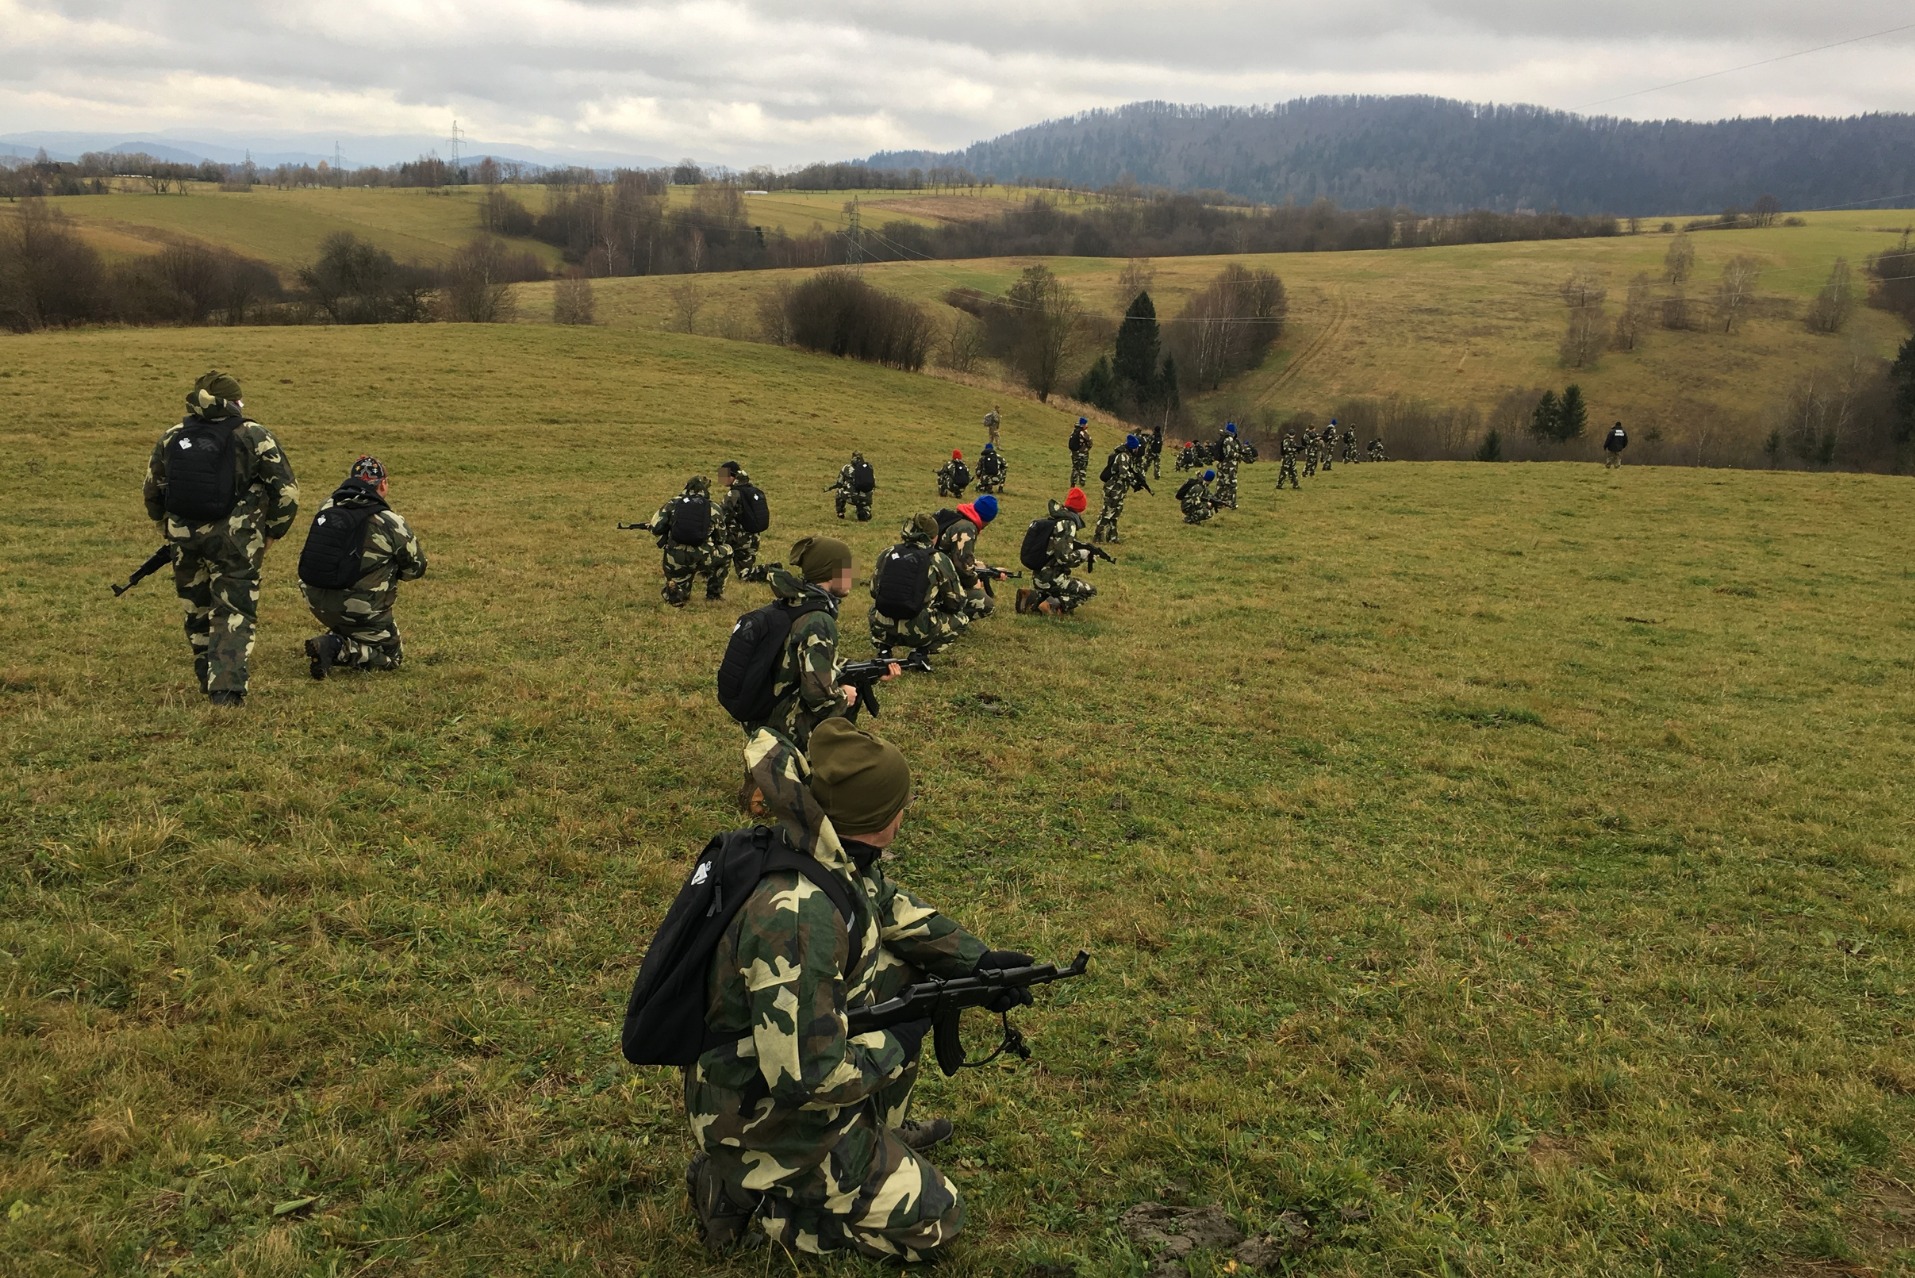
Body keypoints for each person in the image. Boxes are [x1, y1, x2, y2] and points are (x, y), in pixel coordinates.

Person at [684, 722, 1030, 1259]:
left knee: (904, 974)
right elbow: (807, 1078)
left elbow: (885, 906)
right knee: (937, 1222)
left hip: (765, 1070)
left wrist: (976, 964)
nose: (905, 812)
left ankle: (870, 1135)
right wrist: (899, 1037)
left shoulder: (821, 848)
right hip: (764, 1116)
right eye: (901, 804)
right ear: (880, 821)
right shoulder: (799, 920)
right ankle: (751, 1197)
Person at [142, 369, 300, 706]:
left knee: (197, 609)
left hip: (184, 538)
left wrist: (166, 529)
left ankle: (206, 677)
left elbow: (152, 490)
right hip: (236, 541)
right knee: (233, 610)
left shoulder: (173, 436)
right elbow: (287, 492)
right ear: (234, 402)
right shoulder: (254, 435)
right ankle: (225, 691)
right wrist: (273, 531)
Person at [297, 455, 426, 679]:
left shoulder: (327, 506)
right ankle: (337, 647)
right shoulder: (390, 521)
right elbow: (416, 569)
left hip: (316, 600)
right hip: (361, 609)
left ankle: (342, 634)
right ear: (383, 484)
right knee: (391, 658)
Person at [749, 535, 876, 750]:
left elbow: (804, 660)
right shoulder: (818, 620)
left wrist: (869, 671)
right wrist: (845, 696)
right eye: (847, 570)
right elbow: (819, 698)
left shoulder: (794, 602)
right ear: (830, 573)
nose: (852, 577)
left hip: (765, 714)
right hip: (786, 727)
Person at [868, 513, 967, 659]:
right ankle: (920, 653)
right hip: (919, 631)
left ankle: (884, 650)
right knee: (962, 619)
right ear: (934, 537)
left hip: (882, 626)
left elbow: (874, 591)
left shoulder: (888, 553)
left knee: (874, 608)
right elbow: (956, 601)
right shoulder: (937, 558)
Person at [645, 475, 726, 607]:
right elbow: (721, 538)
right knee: (728, 551)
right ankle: (714, 594)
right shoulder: (714, 507)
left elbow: (656, 528)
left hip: (675, 559)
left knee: (682, 591)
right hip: (703, 557)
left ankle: (674, 591)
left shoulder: (673, 503)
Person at [1018, 488, 1098, 616]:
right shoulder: (1068, 524)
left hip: (1038, 577)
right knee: (1090, 591)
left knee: (1061, 588)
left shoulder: (1056, 519)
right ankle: (1051, 606)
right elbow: (1063, 558)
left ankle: (1031, 598)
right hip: (1052, 579)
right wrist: (1082, 555)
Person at [934, 496, 1007, 622]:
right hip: (937, 579)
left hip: (931, 573)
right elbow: (962, 567)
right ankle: (943, 621)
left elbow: (952, 556)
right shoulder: (966, 528)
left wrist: (988, 569)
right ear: (988, 519)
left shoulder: (957, 518)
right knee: (985, 604)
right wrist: (974, 582)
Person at [716, 461, 767, 586]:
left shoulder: (733, 494)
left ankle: (769, 571)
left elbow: (722, 516)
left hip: (738, 539)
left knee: (743, 574)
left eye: (724, 475)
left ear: (732, 476)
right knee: (746, 573)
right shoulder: (753, 490)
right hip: (753, 538)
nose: (722, 479)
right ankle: (771, 570)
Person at [1094, 434, 1142, 543]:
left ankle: (1112, 537)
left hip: (1119, 490)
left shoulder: (1127, 455)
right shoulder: (1123, 456)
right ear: (1133, 447)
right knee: (1107, 513)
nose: (1137, 450)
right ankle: (1098, 535)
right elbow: (1123, 473)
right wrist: (1134, 481)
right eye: (1136, 447)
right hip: (1114, 489)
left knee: (1115, 514)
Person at [829, 452, 876, 522]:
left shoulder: (846, 467)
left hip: (852, 497)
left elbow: (839, 483)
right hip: (866, 498)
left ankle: (840, 513)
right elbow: (873, 484)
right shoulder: (868, 468)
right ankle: (865, 512)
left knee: (839, 492)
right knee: (864, 512)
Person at [1214, 422, 1248, 509]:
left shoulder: (1223, 438)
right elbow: (1230, 453)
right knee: (1232, 484)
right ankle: (1231, 503)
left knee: (1221, 483)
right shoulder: (1229, 440)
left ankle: (1218, 501)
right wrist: (1239, 456)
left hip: (1222, 464)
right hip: (1229, 465)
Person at [1067, 417, 1092, 489]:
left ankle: (1073, 483)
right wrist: (1086, 448)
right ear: (1083, 424)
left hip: (1074, 453)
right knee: (1082, 468)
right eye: (1086, 423)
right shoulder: (1083, 432)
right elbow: (1090, 442)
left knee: (1075, 468)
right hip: (1082, 454)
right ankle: (1082, 483)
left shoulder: (1074, 431)